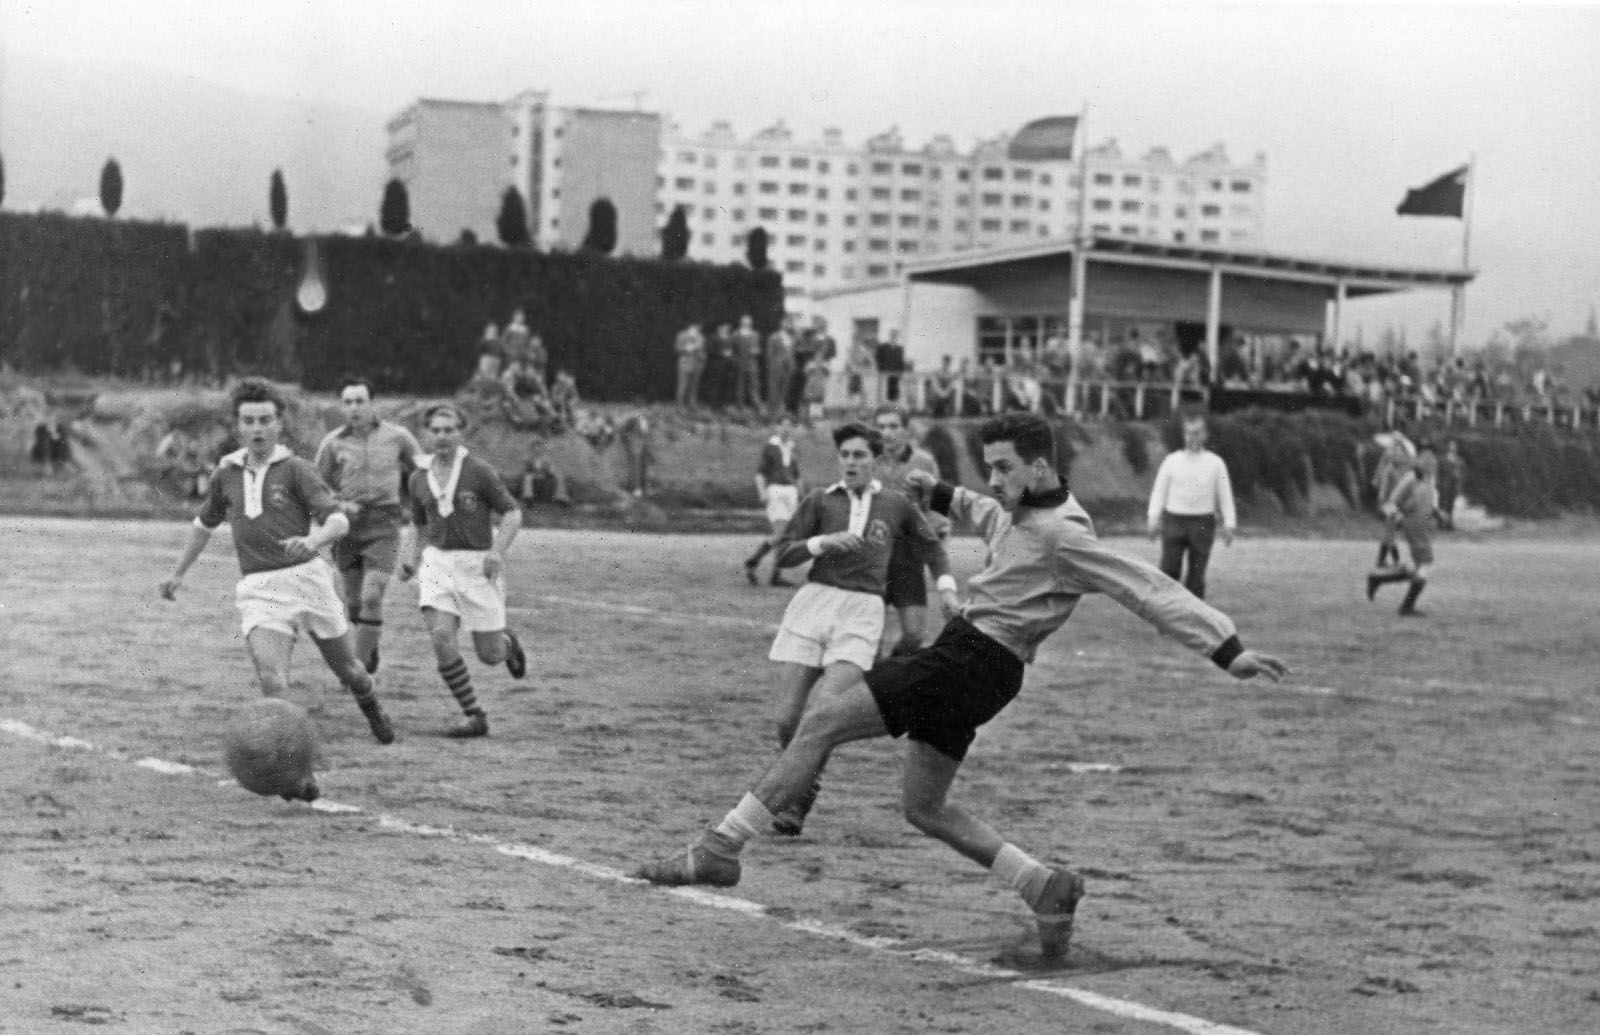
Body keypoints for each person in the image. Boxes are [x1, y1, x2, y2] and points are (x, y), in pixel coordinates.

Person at [634, 412, 1288, 962]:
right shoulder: (1023, 507)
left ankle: (721, 845)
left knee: (822, 719)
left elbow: (1147, 588)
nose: (994, 478)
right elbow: (983, 508)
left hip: (973, 657)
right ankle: (1043, 884)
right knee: (924, 806)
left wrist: (1225, 647)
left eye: (1003, 467)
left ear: (1039, 467)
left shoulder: (1065, 533)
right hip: (983, 666)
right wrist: (940, 490)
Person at [159, 379, 396, 755]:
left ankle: (370, 704)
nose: (257, 429)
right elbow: (203, 525)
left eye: (265, 420)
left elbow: (338, 521)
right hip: (259, 588)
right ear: (238, 426)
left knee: (350, 671)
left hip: (308, 581)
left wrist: (314, 541)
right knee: (272, 679)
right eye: (249, 421)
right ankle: (293, 761)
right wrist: (177, 573)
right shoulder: (226, 474)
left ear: (278, 424)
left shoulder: (297, 469)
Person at [757, 421, 955, 837]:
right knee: (786, 719)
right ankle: (806, 779)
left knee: (824, 711)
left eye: (859, 455)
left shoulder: (897, 504)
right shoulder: (819, 501)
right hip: (814, 604)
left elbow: (931, 548)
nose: (850, 462)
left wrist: (947, 589)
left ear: (875, 461)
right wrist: (820, 544)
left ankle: (798, 798)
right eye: (844, 455)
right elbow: (785, 553)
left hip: (862, 613)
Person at [397, 404, 528, 738]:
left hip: (476, 565)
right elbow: (419, 524)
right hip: (437, 564)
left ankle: (508, 645)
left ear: (460, 432)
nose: (442, 436)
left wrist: (498, 551)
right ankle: (474, 714)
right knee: (441, 636)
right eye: (436, 430)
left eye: (449, 429)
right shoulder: (417, 478)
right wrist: (411, 558)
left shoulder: (478, 471)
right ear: (427, 434)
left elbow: (512, 513)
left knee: (489, 654)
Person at [313, 377, 423, 675]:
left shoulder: (398, 437)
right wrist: (339, 504)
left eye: (360, 401)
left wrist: (422, 507)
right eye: (348, 402)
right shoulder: (333, 442)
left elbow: (423, 473)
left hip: (384, 523)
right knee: (353, 603)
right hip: (347, 527)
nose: (354, 407)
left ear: (372, 404)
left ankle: (356, 670)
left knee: (372, 596)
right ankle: (367, 646)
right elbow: (316, 488)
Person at [872, 405, 947, 657]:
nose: (887, 432)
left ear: (906, 430)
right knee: (870, 638)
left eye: (893, 426)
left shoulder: (923, 461)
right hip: (874, 557)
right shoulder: (868, 461)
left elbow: (938, 506)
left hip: (908, 557)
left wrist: (933, 533)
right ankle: (873, 686)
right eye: (881, 426)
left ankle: (889, 670)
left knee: (914, 635)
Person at [1146, 413, 1237, 600]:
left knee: (1196, 577)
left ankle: (1193, 621)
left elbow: (1225, 495)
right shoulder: (1172, 461)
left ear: (1204, 435)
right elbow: (1159, 492)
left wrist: (1229, 523)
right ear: (1183, 435)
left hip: (1203, 523)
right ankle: (1167, 616)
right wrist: (1153, 517)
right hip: (1174, 521)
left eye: (1196, 433)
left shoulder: (1215, 463)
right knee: (1168, 570)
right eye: (1188, 433)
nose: (1192, 438)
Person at [1367, 445, 1438, 617]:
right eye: (1428, 463)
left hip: (1422, 523)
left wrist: (1436, 513)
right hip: (1414, 524)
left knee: (1416, 566)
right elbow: (1390, 503)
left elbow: (1427, 499)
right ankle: (1406, 607)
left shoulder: (1426, 478)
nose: (1431, 466)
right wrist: (1397, 517)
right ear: (1419, 463)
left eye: (1432, 464)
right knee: (1426, 564)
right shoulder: (1410, 479)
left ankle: (1377, 579)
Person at [744, 414, 803, 587]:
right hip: (776, 491)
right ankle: (753, 562)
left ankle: (775, 575)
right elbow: (760, 473)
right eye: (783, 425)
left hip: (791, 492)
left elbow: (797, 475)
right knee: (781, 533)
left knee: (787, 536)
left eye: (789, 425)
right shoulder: (771, 447)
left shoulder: (792, 447)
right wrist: (762, 492)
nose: (786, 429)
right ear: (777, 427)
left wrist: (801, 494)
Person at [1371, 423, 1417, 566]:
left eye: (1399, 450)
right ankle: (1395, 561)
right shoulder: (1390, 468)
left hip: (1395, 502)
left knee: (1389, 532)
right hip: (1389, 502)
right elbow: (1384, 487)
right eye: (1396, 449)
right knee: (1390, 532)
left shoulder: (1401, 465)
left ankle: (1381, 560)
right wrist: (1381, 501)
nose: (1397, 453)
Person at [766, 316, 797, 416]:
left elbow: (792, 353)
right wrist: (774, 365)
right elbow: (769, 354)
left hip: (788, 368)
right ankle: (772, 412)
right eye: (785, 322)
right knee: (774, 389)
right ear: (781, 324)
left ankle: (781, 410)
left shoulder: (791, 338)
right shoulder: (774, 337)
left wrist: (792, 365)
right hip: (777, 368)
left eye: (789, 323)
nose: (787, 325)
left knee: (785, 389)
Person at [732, 315, 763, 410]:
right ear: (741, 323)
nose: (746, 324)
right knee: (739, 385)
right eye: (744, 322)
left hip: (752, 364)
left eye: (748, 322)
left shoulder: (755, 334)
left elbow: (758, 349)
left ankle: (756, 405)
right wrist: (735, 361)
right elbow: (733, 350)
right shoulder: (736, 335)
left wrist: (756, 351)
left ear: (750, 323)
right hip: (740, 363)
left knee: (754, 385)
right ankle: (739, 406)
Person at [675, 322, 706, 409]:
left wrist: (702, 357)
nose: (698, 329)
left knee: (694, 387)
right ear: (690, 326)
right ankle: (679, 406)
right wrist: (686, 349)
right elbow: (677, 349)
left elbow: (703, 352)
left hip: (697, 365)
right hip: (685, 364)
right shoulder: (682, 335)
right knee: (682, 386)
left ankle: (692, 405)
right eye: (696, 327)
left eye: (699, 327)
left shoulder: (700, 337)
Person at [1435, 439, 1463, 531]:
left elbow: (1461, 474)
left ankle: (1449, 524)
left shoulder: (1459, 460)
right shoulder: (1442, 459)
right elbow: (1438, 472)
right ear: (1448, 447)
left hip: (1453, 486)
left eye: (1454, 446)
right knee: (1442, 504)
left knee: (1450, 505)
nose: (1453, 448)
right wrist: (1438, 483)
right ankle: (1441, 523)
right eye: (1451, 446)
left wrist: (1458, 485)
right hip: (1444, 485)